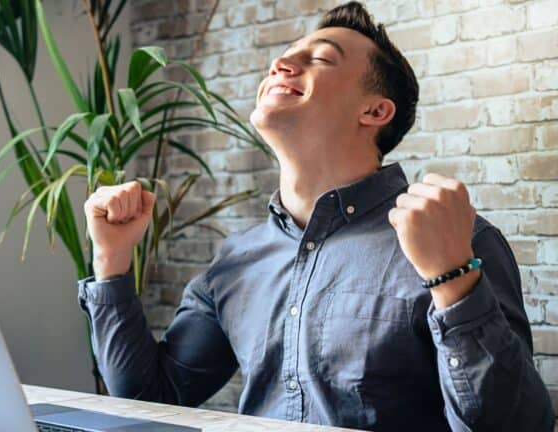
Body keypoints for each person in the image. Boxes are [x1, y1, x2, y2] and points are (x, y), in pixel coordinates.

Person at [78, 2, 554, 431]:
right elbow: (150, 399)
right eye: (284, 57)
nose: (280, 64)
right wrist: (112, 258)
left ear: (374, 110)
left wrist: (453, 280)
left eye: (321, 58)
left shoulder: (455, 238)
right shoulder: (237, 260)